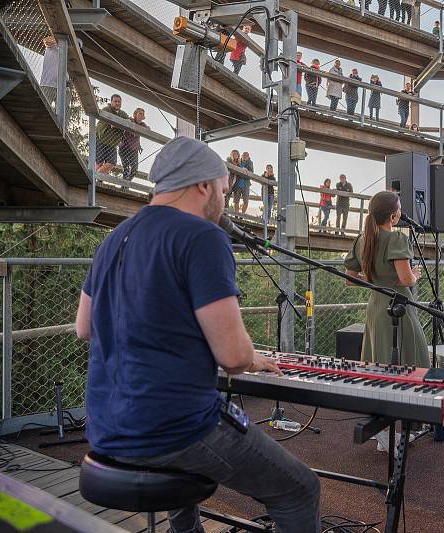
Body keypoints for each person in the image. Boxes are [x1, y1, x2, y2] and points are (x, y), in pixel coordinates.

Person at [75, 136, 321, 533]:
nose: (224, 202)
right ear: (204, 185)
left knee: (186, 482)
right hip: (173, 430)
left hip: (107, 425)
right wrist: (254, 358)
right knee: (300, 488)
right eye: (224, 190)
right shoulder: (203, 237)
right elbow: (233, 357)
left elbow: (84, 328)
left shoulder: (113, 239)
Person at [343, 190, 429, 368]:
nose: (401, 212)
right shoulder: (396, 239)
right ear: (392, 216)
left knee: (379, 360)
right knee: (410, 360)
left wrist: (377, 281)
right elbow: (406, 280)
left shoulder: (361, 240)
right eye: (399, 208)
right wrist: (415, 274)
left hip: (376, 307)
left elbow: (350, 279)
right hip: (399, 306)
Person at [96, 94, 130, 174]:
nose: (117, 103)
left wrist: (126, 122)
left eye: (119, 101)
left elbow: (128, 122)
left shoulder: (122, 114)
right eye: (115, 101)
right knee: (99, 162)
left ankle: (96, 177)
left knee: (112, 162)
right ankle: (96, 179)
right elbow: (113, 124)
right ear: (111, 102)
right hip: (101, 139)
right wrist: (122, 124)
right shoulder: (106, 109)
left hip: (112, 143)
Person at [119, 108, 148, 181]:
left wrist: (146, 127)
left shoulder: (142, 124)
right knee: (126, 167)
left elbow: (148, 130)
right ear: (135, 114)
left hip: (134, 150)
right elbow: (125, 121)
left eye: (143, 114)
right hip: (124, 147)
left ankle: (126, 183)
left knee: (134, 169)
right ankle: (124, 185)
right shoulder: (130, 120)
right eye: (140, 114)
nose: (141, 116)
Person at [40, 36, 59, 106]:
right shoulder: (54, 44)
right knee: (43, 110)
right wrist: (61, 41)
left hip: (63, 88)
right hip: (47, 84)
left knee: (64, 115)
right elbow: (46, 41)